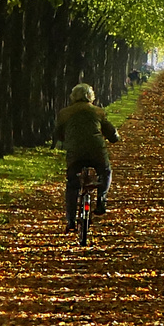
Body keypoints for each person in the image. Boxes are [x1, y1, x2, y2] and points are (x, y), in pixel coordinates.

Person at [56, 82, 119, 230]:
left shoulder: (64, 113)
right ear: (91, 96)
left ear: (73, 96)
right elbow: (109, 131)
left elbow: (59, 133)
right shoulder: (98, 112)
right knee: (106, 171)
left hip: (75, 153)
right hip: (96, 150)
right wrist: (114, 137)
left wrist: (67, 141)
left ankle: (71, 220)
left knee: (72, 184)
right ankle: (101, 200)